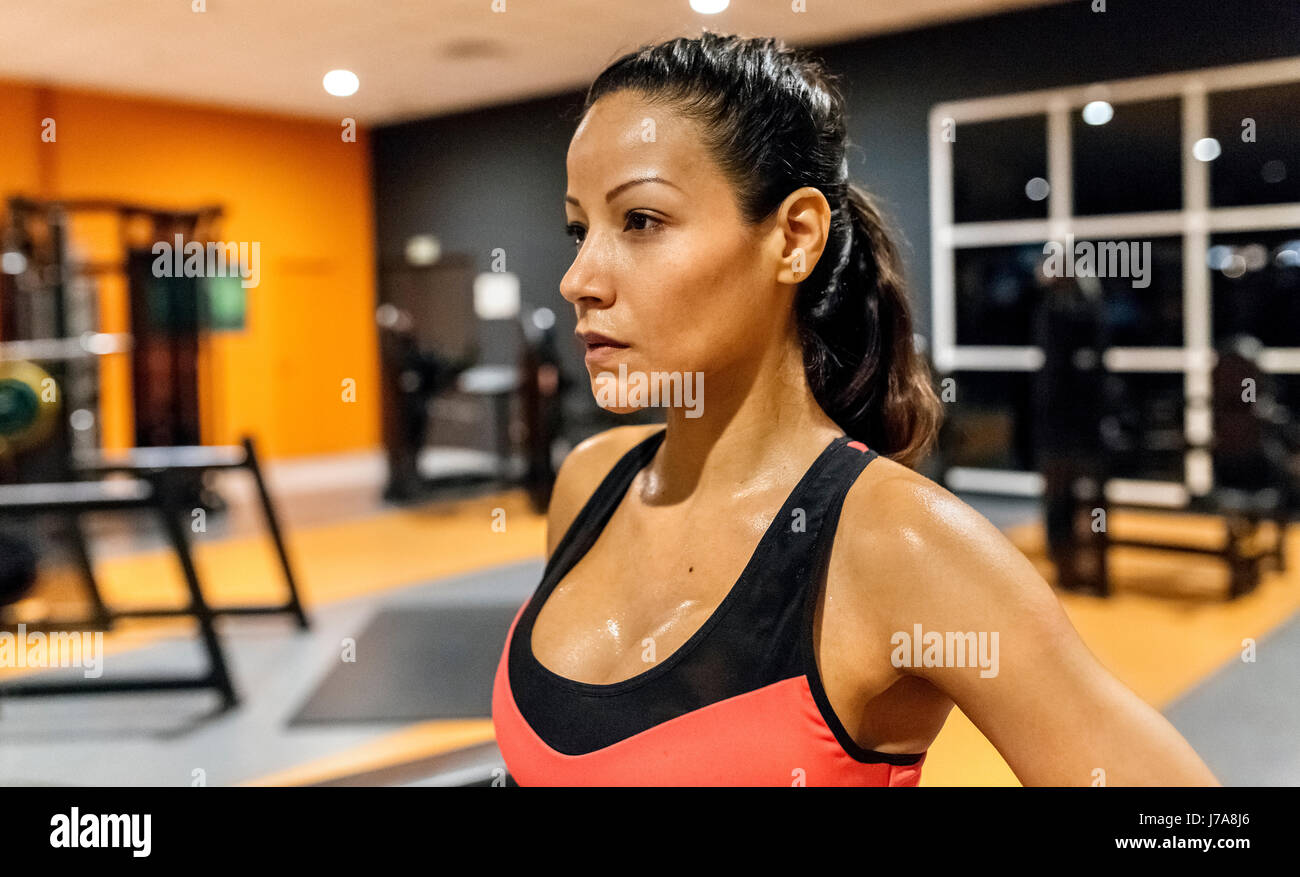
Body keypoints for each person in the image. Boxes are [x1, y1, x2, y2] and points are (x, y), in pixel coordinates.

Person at [491, 31, 1220, 786]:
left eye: (640, 220)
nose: (579, 277)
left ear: (794, 237)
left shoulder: (898, 546)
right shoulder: (589, 483)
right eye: (580, 229)